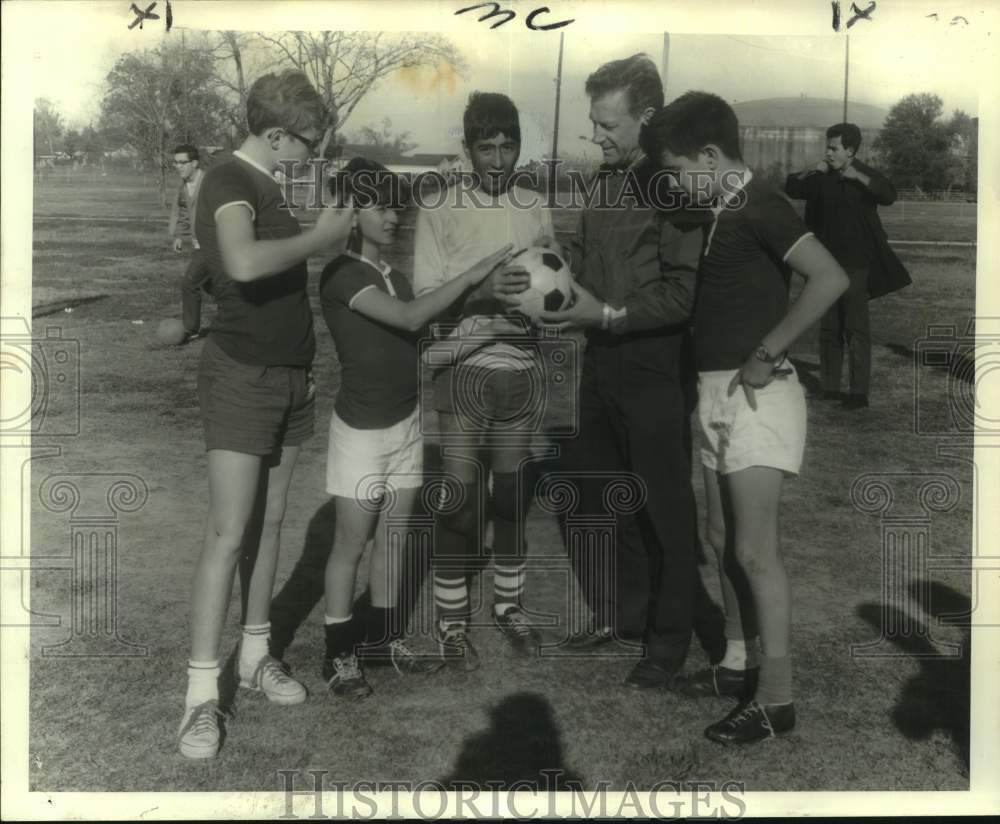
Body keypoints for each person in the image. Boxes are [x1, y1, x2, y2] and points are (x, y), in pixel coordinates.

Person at [641, 91, 849, 744]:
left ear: (708, 156)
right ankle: (736, 664)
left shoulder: (762, 205)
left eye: (675, 170)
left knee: (756, 552)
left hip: (759, 398)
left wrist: (769, 350)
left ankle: (776, 700)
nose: (673, 184)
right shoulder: (723, 212)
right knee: (718, 538)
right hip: (716, 396)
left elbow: (830, 277)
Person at [177, 69, 352, 760]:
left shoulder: (269, 185)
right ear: (277, 134)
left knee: (272, 522)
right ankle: (197, 701)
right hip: (242, 378)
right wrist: (322, 238)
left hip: (289, 378)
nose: (314, 151)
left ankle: (254, 655)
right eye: (310, 140)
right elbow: (244, 264)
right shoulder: (228, 179)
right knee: (227, 534)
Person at [538, 54, 720, 689]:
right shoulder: (603, 183)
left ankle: (668, 643)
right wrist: (546, 285)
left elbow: (683, 292)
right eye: (593, 124)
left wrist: (609, 313)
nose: (598, 138)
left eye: (608, 125)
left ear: (647, 117)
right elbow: (582, 263)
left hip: (654, 368)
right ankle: (627, 618)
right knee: (604, 500)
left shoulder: (675, 187)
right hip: (596, 365)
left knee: (663, 511)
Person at [318, 158, 514, 697]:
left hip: (405, 426)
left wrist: (492, 327)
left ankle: (382, 642)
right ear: (352, 214)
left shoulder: (395, 277)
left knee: (396, 539)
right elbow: (408, 320)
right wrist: (472, 276)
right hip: (360, 433)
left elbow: (422, 356)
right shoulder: (341, 275)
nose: (394, 216)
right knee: (350, 545)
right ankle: (338, 656)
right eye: (379, 205)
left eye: (395, 205)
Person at [413, 91, 554, 668]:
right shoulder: (440, 205)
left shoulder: (534, 201)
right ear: (467, 149)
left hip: (520, 368)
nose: (498, 160)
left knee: (512, 496)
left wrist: (549, 288)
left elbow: (552, 273)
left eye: (508, 147)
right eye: (486, 148)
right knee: (461, 499)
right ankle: (451, 621)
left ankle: (508, 606)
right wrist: (482, 291)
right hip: (466, 368)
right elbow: (425, 298)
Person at [785, 123, 911, 409]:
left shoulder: (863, 175)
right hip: (824, 266)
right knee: (829, 326)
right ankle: (829, 387)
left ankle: (858, 392)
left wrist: (858, 177)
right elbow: (791, 186)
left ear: (850, 150)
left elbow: (888, 194)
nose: (828, 153)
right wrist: (811, 168)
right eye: (827, 147)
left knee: (856, 328)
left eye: (834, 148)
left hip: (856, 265)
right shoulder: (820, 177)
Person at [168, 144, 211, 342]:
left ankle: (191, 329)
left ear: (194, 163)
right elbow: (184, 212)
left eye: (183, 162)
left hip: (214, 244)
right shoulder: (184, 186)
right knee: (214, 286)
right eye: (175, 163)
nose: (178, 166)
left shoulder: (211, 182)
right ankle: (243, 320)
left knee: (190, 283)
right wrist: (179, 235)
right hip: (198, 244)